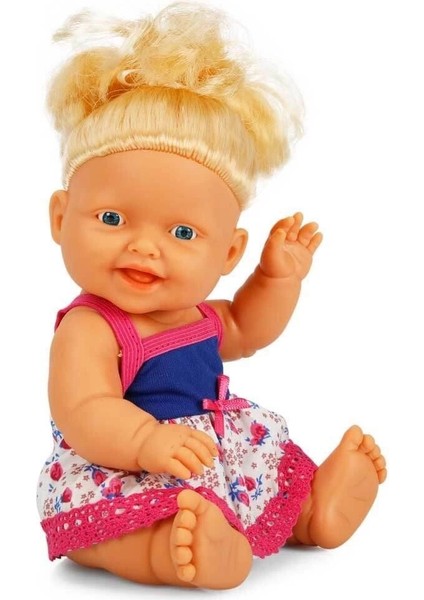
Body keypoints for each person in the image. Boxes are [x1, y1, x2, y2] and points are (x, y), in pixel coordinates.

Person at [37, 2, 386, 590]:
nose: (145, 248)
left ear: (228, 253)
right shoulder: (91, 327)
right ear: (60, 217)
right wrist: (145, 441)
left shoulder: (195, 315)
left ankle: (311, 512)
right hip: (119, 466)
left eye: (181, 233)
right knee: (112, 533)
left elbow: (247, 328)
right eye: (113, 218)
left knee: (271, 477)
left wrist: (276, 279)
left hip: (213, 453)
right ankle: (170, 553)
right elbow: (84, 408)